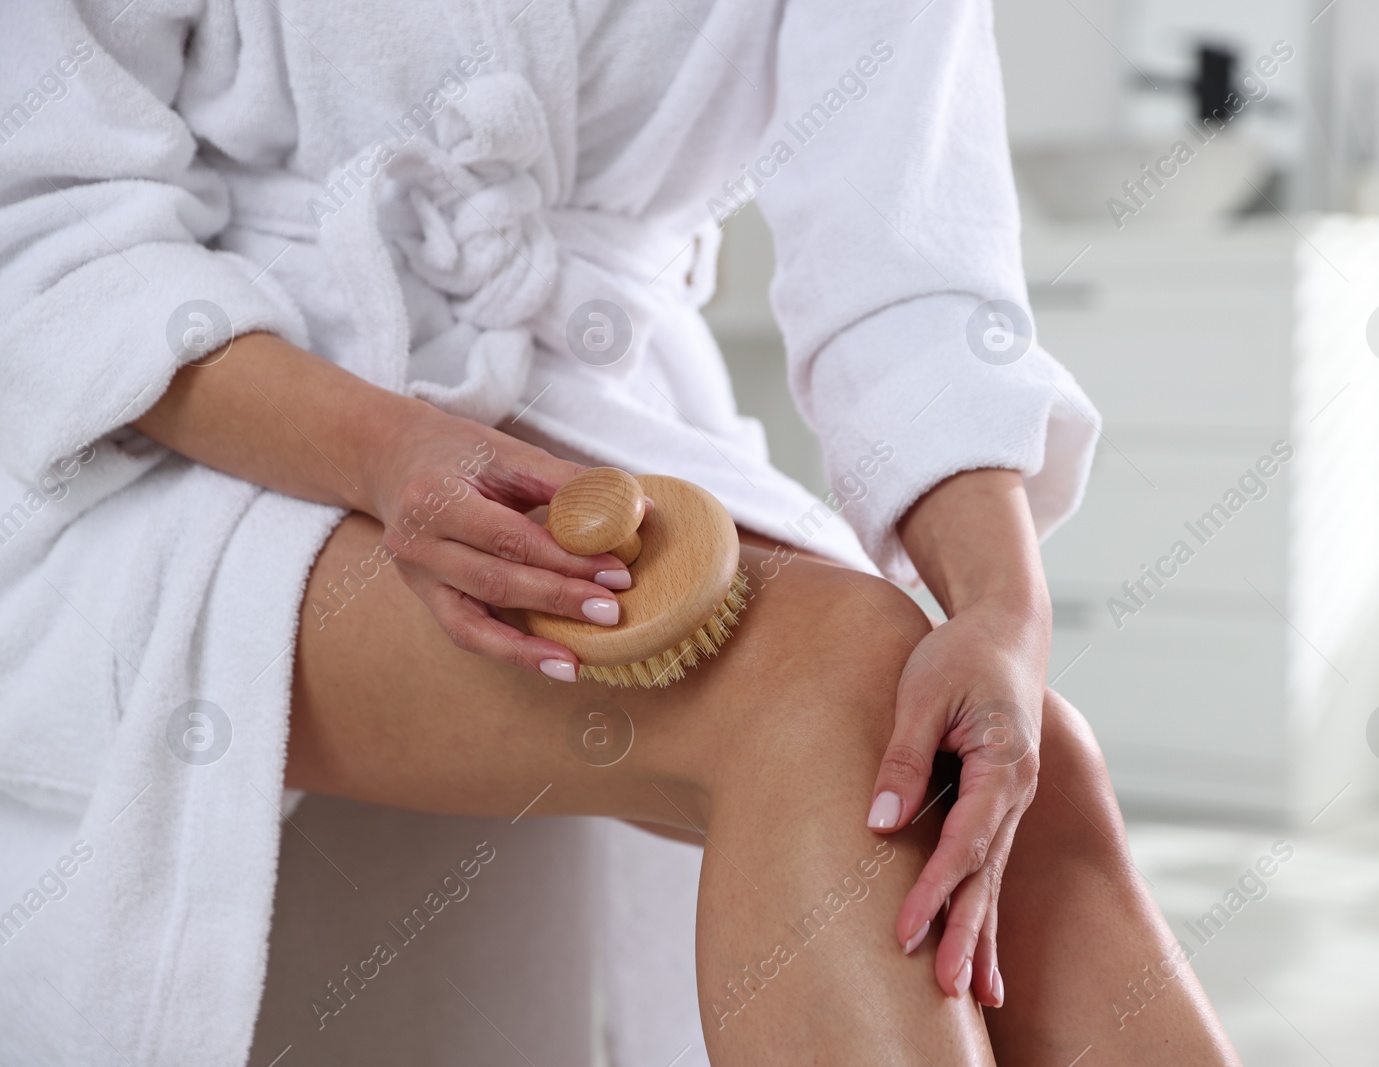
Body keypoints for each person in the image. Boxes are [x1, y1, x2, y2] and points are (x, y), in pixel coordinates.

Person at [0, 0, 1241, 1063]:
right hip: (168, 434)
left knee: (1009, 765)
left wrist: (1000, 616)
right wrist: (390, 451)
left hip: (605, 420)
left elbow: (908, 269)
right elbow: (47, 221)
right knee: (836, 691)